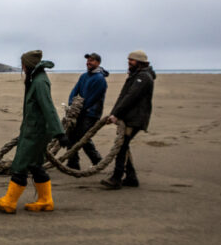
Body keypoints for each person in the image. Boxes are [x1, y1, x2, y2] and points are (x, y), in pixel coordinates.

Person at [0, 50, 66, 213]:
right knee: (35, 165)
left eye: (23, 64)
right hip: (34, 129)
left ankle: (10, 202)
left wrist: (59, 133)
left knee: (21, 164)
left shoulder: (39, 82)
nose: (22, 67)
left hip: (35, 132)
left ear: (28, 65)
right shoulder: (36, 79)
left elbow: (48, 107)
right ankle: (45, 200)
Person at [101, 50, 156, 190]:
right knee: (123, 146)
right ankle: (131, 178)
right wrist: (114, 114)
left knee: (121, 146)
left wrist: (116, 114)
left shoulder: (143, 77)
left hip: (135, 119)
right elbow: (123, 96)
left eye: (132, 60)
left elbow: (131, 97)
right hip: (128, 117)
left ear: (140, 62)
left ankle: (116, 178)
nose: (129, 62)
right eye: (129, 60)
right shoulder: (135, 75)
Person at [65, 52, 109, 170]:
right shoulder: (84, 76)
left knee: (82, 136)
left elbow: (92, 98)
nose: (88, 62)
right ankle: (73, 163)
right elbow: (75, 91)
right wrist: (71, 105)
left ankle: (96, 160)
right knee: (72, 135)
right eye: (88, 60)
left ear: (98, 63)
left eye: (92, 60)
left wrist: (80, 109)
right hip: (80, 111)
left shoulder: (100, 79)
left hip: (91, 113)